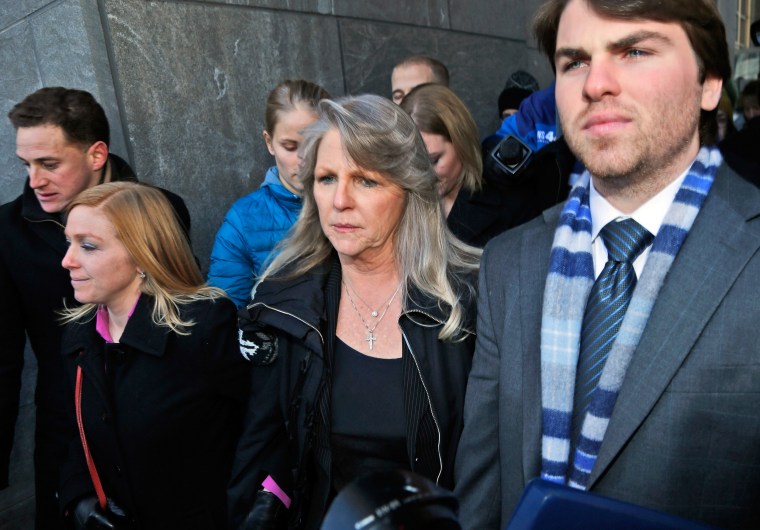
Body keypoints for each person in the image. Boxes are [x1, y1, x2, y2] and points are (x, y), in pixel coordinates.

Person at [455, 1, 760, 529]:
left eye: (635, 51)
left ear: (710, 83)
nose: (595, 83)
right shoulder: (509, 262)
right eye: (573, 62)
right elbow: (481, 494)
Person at [227, 94, 480, 530]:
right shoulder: (281, 304)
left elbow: (490, 469)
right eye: (326, 179)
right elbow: (261, 452)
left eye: (365, 180)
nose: (340, 200)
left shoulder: (473, 303)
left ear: (409, 190)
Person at [0, 86, 190, 530]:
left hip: (162, 419)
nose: (34, 180)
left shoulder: (161, 209)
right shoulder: (7, 233)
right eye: (26, 164)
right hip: (68, 428)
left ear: (96, 153)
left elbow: (184, 318)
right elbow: (2, 357)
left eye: (49, 163)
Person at [58, 182, 248, 529]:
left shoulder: (202, 328)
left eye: (87, 246)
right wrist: (81, 499)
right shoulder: (79, 335)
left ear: (142, 255)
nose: (67, 260)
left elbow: (259, 427)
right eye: (68, 242)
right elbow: (76, 434)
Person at [208, 80, 331, 307]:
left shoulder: (354, 201)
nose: (303, 160)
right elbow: (225, 316)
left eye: (314, 144)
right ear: (269, 142)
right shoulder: (243, 220)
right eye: (290, 147)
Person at [401, 84, 563, 246]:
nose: (423, 174)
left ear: (461, 142)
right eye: (412, 162)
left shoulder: (512, 198)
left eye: (433, 160)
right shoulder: (399, 206)